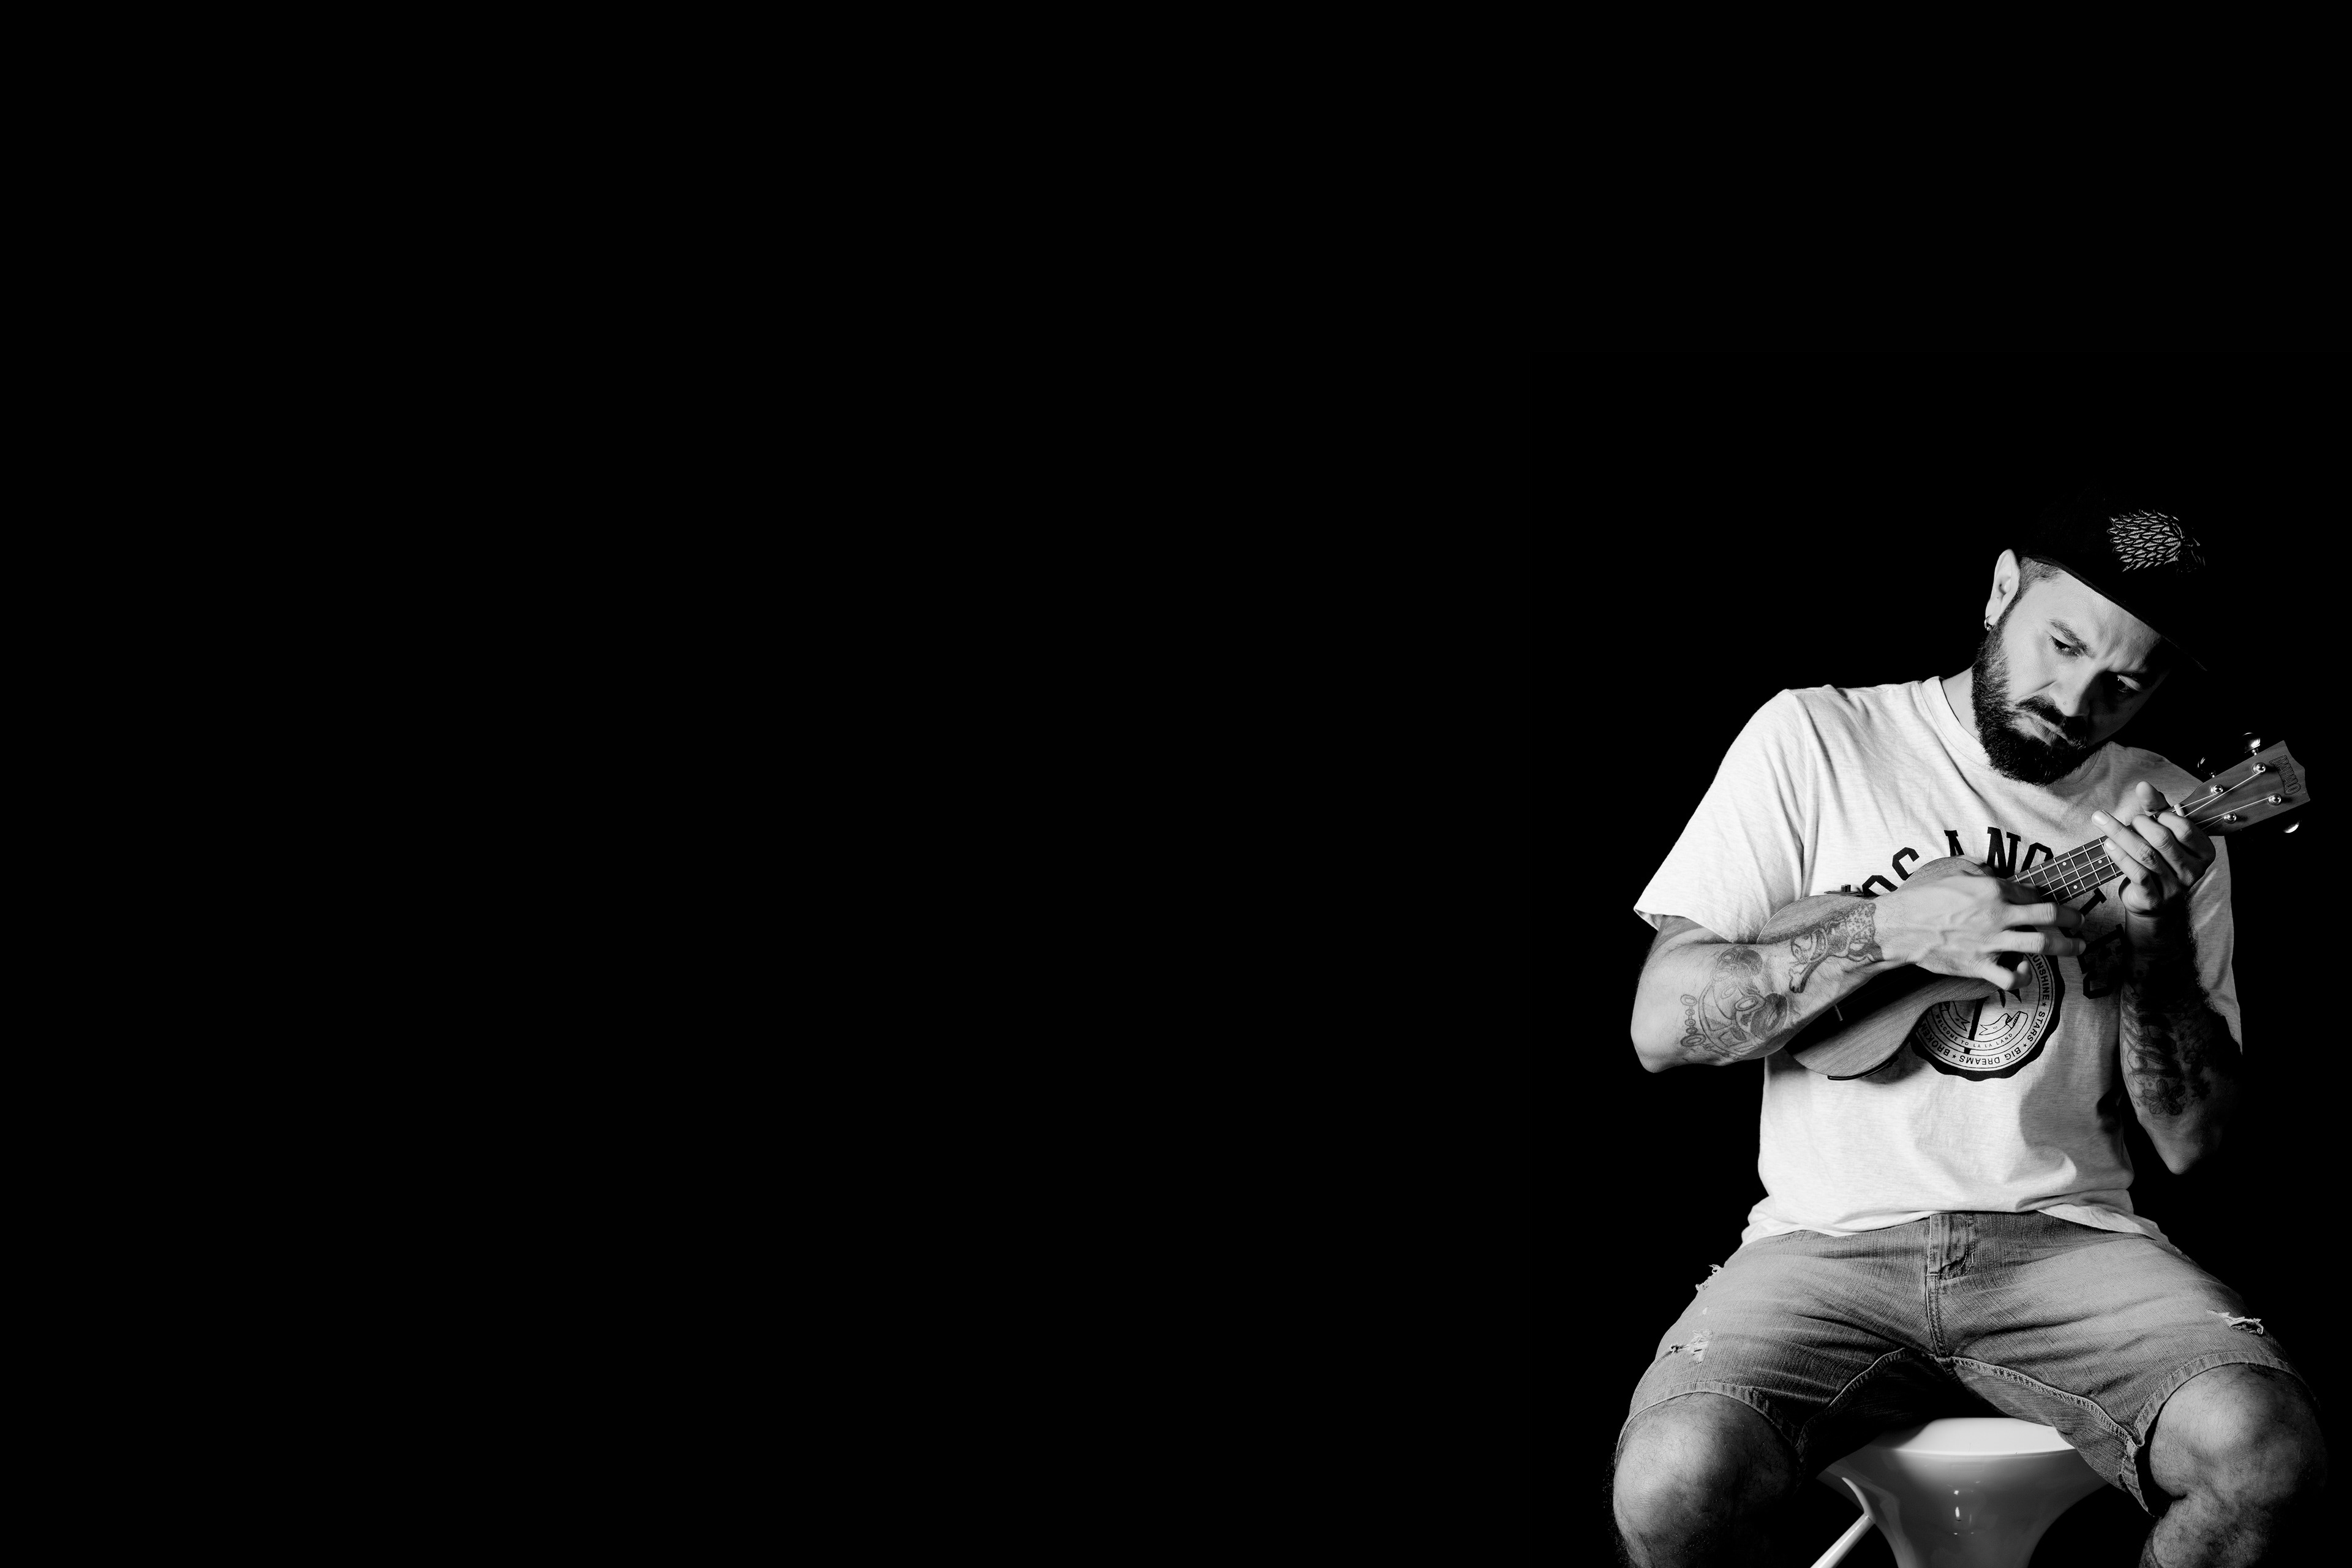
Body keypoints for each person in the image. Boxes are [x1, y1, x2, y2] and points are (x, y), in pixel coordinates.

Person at [1611, 494, 2328, 1566]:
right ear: (2001, 590)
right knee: (1673, 1482)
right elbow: (1662, 1028)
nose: (2077, 702)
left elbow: (2193, 1143)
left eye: (2125, 683)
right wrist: (1887, 930)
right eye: (2064, 645)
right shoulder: (1818, 739)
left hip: (2071, 1246)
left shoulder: (2172, 812)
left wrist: (2155, 937)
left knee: (2265, 1457)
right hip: (1821, 1245)